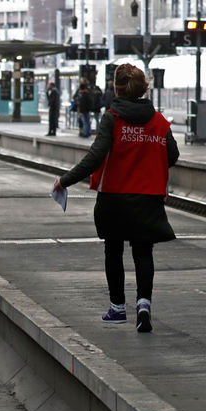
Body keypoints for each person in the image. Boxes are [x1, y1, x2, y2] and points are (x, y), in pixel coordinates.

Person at [52, 63, 179, 333]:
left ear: (116, 88)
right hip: (147, 197)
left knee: (114, 250)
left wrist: (65, 181)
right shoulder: (158, 120)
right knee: (143, 253)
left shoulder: (112, 117)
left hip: (115, 197)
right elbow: (172, 155)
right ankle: (143, 305)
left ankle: (117, 308)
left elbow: (95, 156)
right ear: (143, 88)